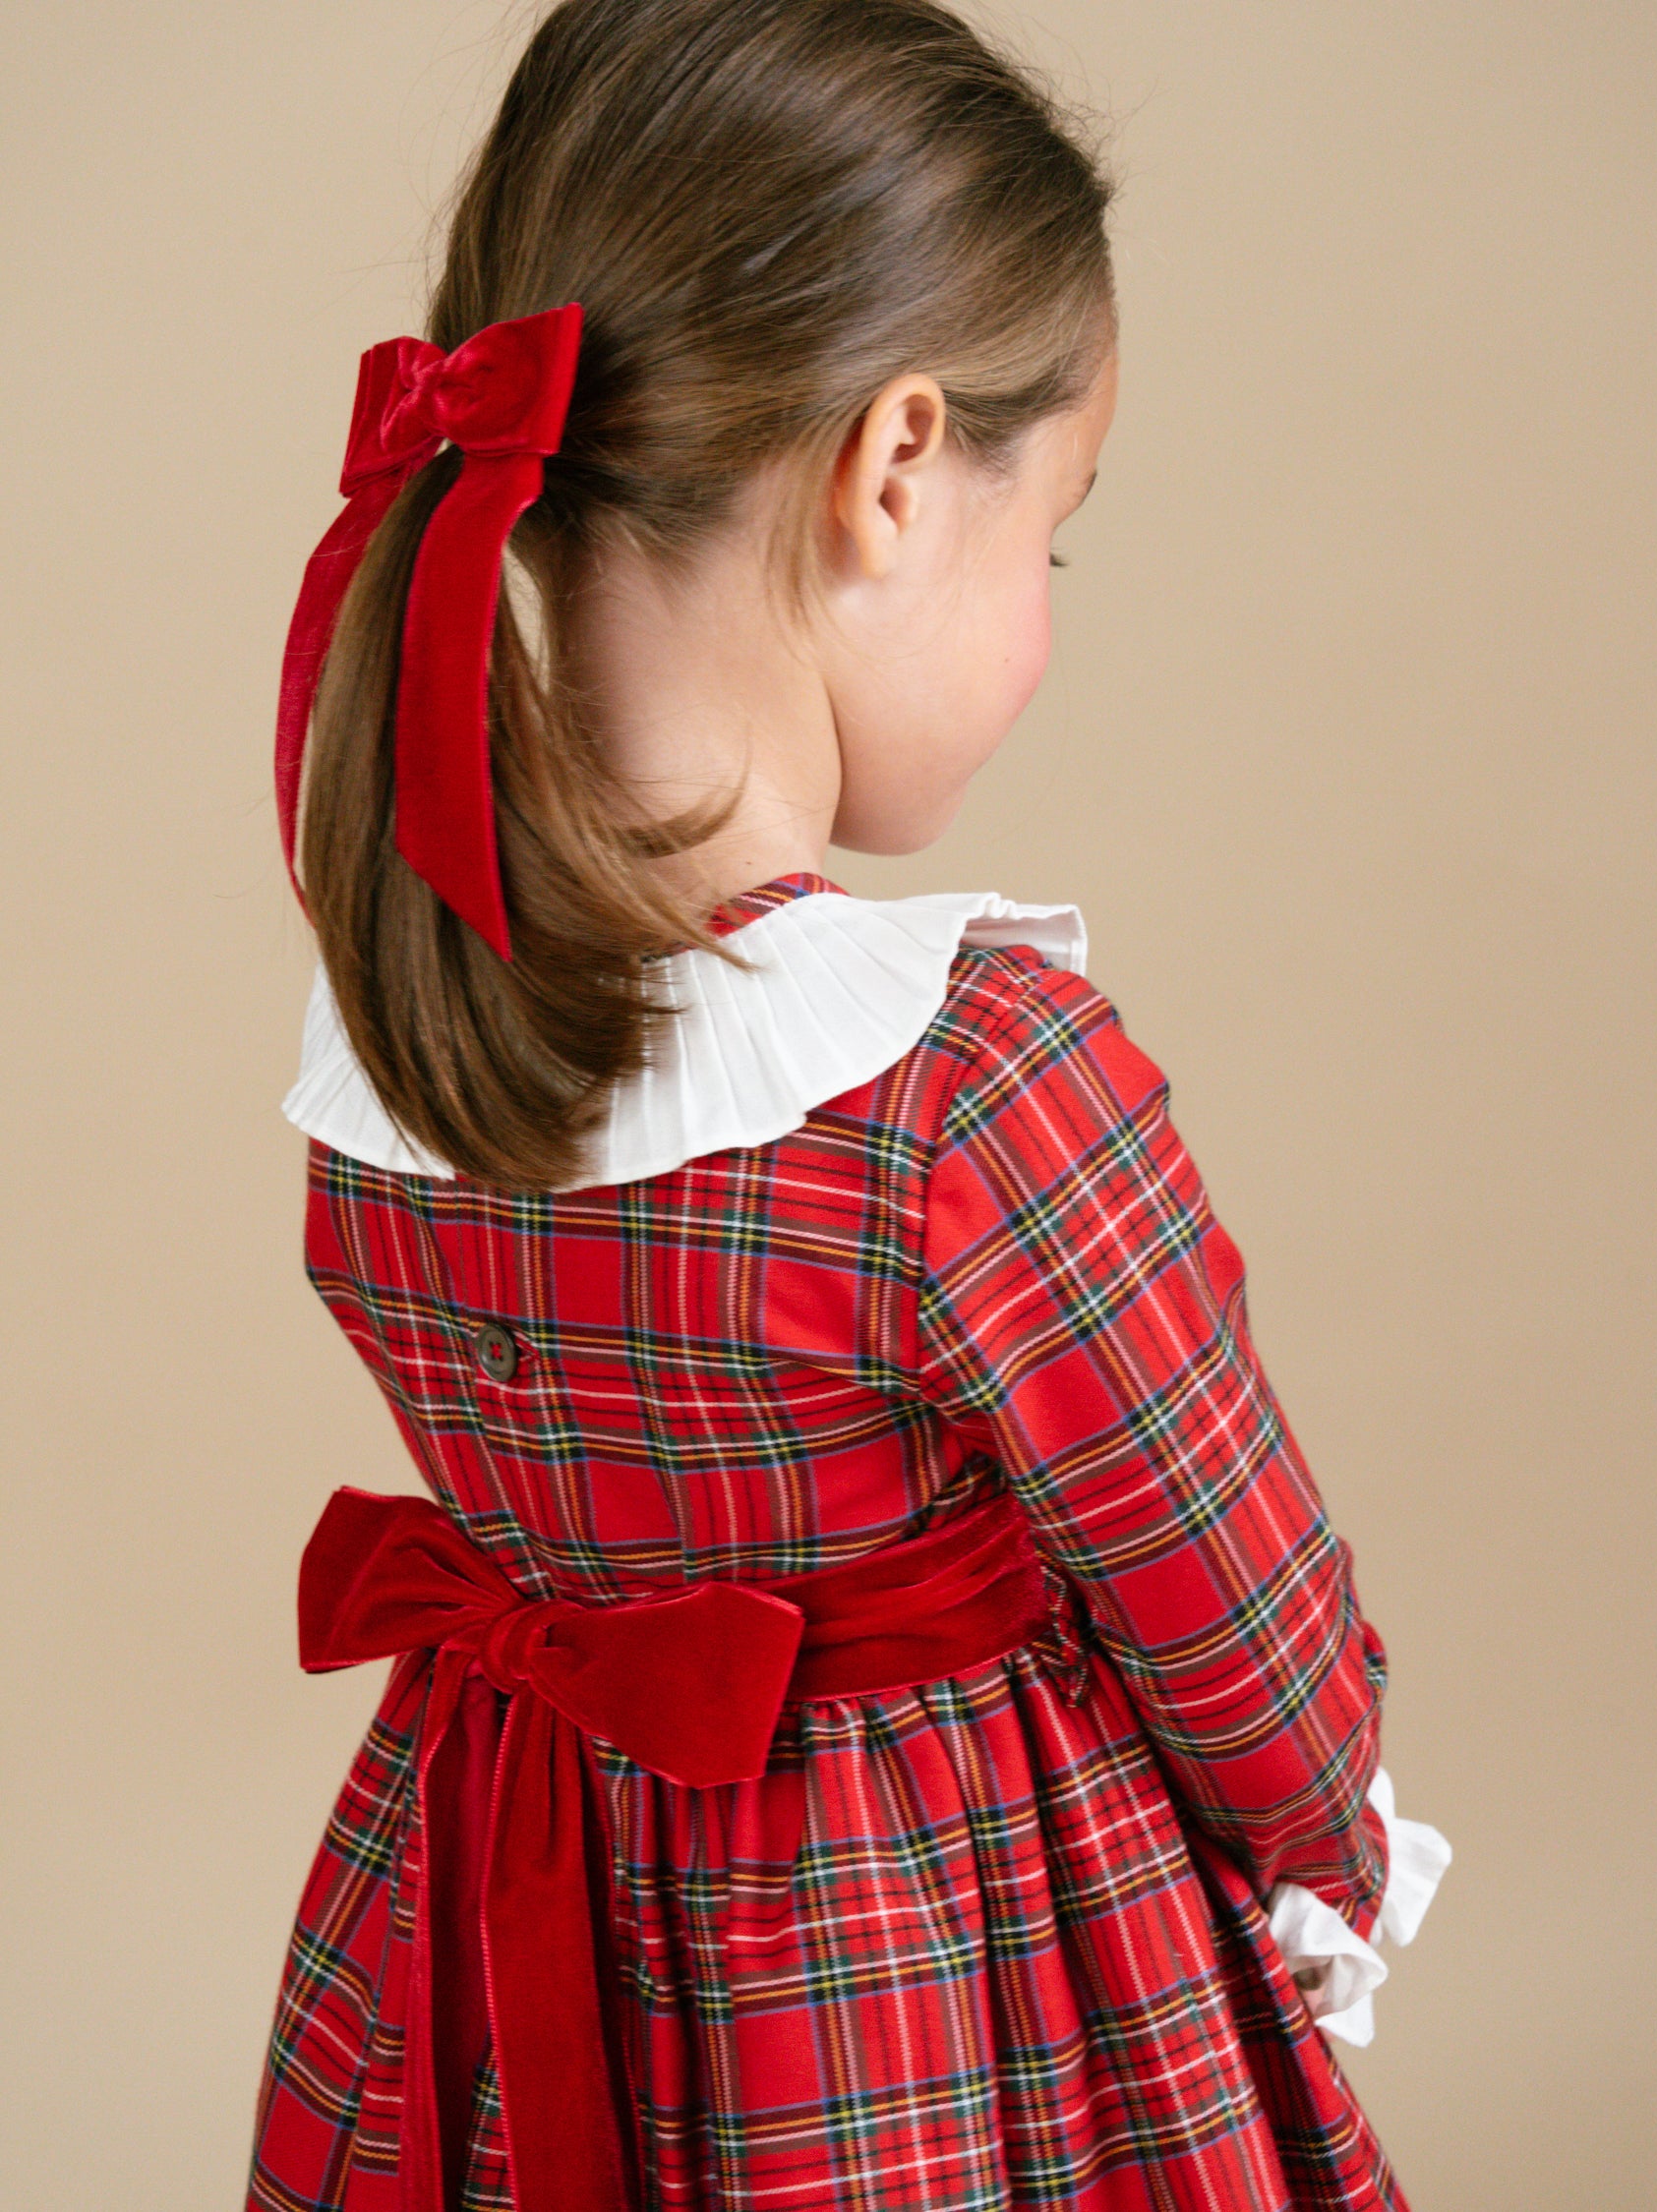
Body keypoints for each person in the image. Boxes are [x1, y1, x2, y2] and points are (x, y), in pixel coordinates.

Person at [249, 4, 1450, 2207]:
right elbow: (1251, 1638)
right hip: (928, 1977)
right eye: (1049, 537)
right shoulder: (968, 1084)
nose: (1042, 609)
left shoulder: (399, 1030)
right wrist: (1331, 1850)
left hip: (496, 1938)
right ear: (898, 466)